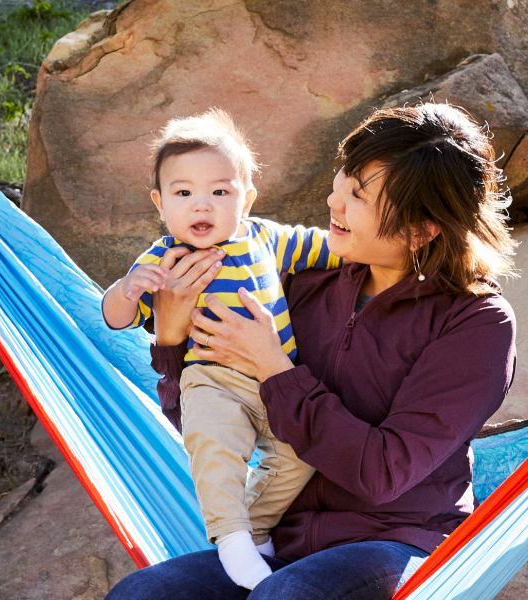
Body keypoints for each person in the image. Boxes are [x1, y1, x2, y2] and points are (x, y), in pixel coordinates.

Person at [108, 103, 518, 599]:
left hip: (397, 542)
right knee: (141, 594)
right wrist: (171, 339)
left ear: (420, 229)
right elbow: (209, 421)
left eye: (358, 196)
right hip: (282, 542)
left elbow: (382, 473)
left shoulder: (475, 323)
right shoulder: (298, 281)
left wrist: (273, 367)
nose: (333, 202)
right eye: (342, 179)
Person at [102, 109, 341, 590]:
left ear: (246, 198)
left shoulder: (265, 237)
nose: (201, 206)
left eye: (219, 192)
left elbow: (332, 247)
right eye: (183, 193)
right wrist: (128, 288)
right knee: (216, 450)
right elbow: (114, 317)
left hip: (275, 379)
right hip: (210, 378)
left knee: (300, 456)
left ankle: (255, 530)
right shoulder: (163, 257)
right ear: (160, 202)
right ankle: (231, 538)